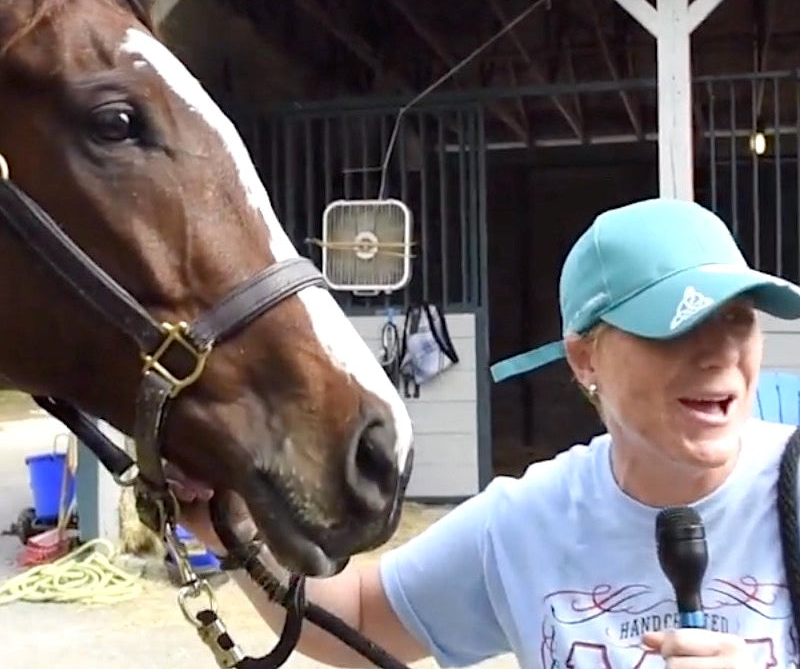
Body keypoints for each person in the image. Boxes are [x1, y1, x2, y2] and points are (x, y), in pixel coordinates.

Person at [172, 197, 800, 669]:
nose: (721, 354)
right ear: (585, 359)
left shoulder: (792, 489)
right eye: (677, 326)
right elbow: (361, 618)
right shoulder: (527, 523)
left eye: (737, 318)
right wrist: (228, 519)